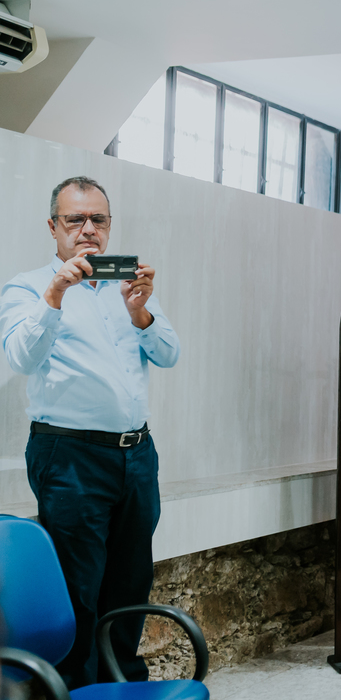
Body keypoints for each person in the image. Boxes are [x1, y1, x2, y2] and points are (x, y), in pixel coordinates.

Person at [0, 176, 180, 689]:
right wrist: (56, 293)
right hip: (69, 455)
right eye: (75, 219)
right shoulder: (29, 286)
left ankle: (123, 686)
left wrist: (141, 311)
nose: (87, 230)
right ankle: (74, 691)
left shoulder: (130, 287)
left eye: (97, 220)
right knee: (78, 587)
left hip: (137, 455)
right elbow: (20, 356)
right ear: (53, 227)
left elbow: (169, 354)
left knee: (130, 582)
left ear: (108, 226)